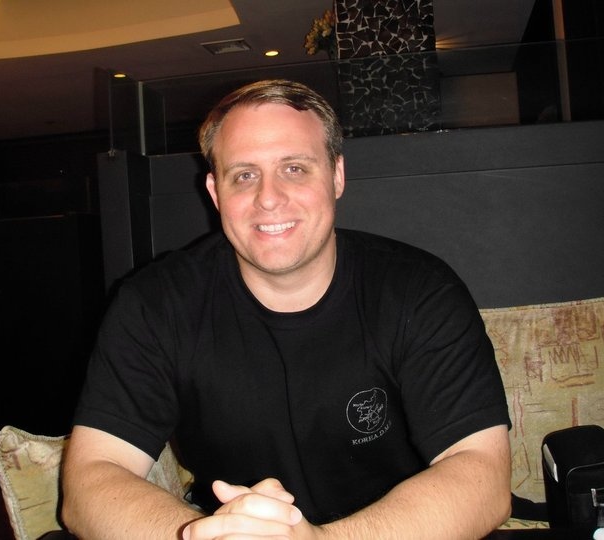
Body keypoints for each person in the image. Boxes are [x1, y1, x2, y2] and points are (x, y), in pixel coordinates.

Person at [62, 79, 512, 539]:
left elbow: (481, 474)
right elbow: (91, 480)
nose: (269, 197)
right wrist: (208, 535)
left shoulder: (419, 290)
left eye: (294, 168)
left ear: (336, 176)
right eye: (244, 175)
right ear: (215, 192)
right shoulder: (155, 304)